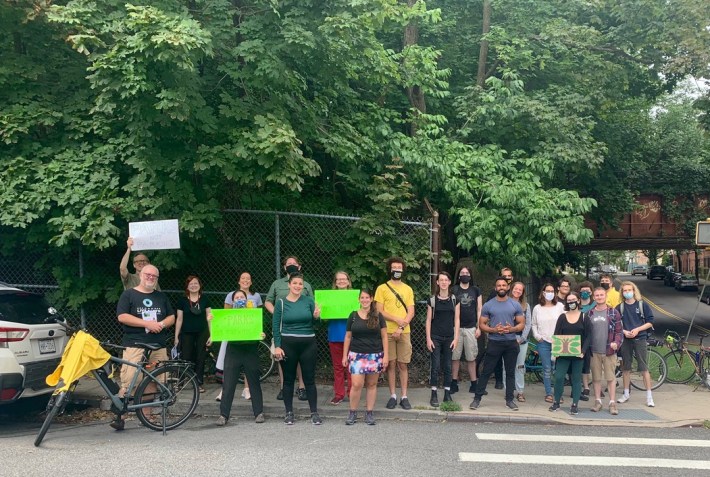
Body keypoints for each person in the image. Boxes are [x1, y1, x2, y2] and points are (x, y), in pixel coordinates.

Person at [113, 264, 174, 430]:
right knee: (129, 380)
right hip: (135, 344)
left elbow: (171, 317)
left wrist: (160, 324)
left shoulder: (161, 297)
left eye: (154, 276)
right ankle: (120, 416)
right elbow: (122, 316)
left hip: (157, 345)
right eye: (148, 274)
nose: (150, 278)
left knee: (153, 380)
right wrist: (146, 323)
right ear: (140, 275)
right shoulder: (129, 294)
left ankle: (146, 417)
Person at [210, 289, 266, 426]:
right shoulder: (228, 316)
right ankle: (223, 415)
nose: (240, 299)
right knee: (228, 383)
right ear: (233, 301)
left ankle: (259, 412)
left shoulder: (253, 314)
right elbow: (218, 332)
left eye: (242, 297)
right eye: (237, 297)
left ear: (247, 300)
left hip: (250, 350)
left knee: (254, 382)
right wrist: (212, 321)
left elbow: (259, 332)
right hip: (233, 351)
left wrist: (262, 334)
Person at [272, 273, 322, 425]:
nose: (298, 286)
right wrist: (278, 346)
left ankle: (314, 412)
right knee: (288, 380)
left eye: (301, 284)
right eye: (295, 283)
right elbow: (275, 326)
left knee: (309, 380)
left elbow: (317, 326)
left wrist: (316, 317)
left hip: (308, 344)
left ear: (303, 286)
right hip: (288, 345)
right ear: (289, 284)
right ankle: (289, 413)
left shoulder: (309, 301)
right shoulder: (280, 303)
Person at [470, 277, 525, 411]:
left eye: (503, 285)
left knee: (510, 372)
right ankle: (477, 399)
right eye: (499, 285)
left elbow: (522, 323)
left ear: (507, 288)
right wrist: (493, 330)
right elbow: (481, 324)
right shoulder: (489, 305)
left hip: (511, 343)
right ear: (495, 288)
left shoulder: (515, 305)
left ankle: (510, 400)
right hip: (495, 342)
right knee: (486, 372)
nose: (501, 287)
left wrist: (512, 329)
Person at [265, 256, 313, 401]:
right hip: (282, 328)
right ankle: (283, 388)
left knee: (300, 360)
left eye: (294, 263)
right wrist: (278, 314)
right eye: (289, 263)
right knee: (282, 357)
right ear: (284, 267)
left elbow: (313, 304)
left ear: (299, 266)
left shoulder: (306, 285)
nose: (291, 265)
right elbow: (268, 301)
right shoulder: (277, 283)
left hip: (301, 331)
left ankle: (302, 387)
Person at [342, 289, 388, 425]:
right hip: (356, 355)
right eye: (362, 298)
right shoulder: (353, 316)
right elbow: (348, 336)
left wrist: (386, 356)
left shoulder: (378, 316)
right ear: (358, 299)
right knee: (356, 384)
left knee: (372, 384)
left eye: (367, 297)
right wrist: (345, 355)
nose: (364, 300)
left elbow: (384, 336)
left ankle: (369, 413)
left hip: (375, 355)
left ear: (372, 299)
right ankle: (352, 412)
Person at [374, 257, 415, 410]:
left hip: (404, 331)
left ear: (403, 269)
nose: (397, 270)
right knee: (390, 364)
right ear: (390, 270)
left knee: (403, 364)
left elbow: (411, 312)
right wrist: (397, 319)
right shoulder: (382, 288)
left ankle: (404, 396)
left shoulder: (408, 289)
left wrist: (400, 327)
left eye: (399, 267)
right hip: (387, 331)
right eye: (394, 267)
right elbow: (379, 310)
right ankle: (392, 395)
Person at [216, 272, 263, 402]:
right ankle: (223, 390)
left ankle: (247, 389)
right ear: (239, 281)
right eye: (243, 278)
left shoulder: (256, 296)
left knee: (249, 363)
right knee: (228, 363)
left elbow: (258, 316)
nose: (245, 280)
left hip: (249, 334)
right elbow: (225, 315)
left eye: (248, 278)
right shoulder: (231, 295)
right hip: (233, 333)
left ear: (251, 282)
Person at [549, 292, 591, 415]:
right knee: (559, 377)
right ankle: (556, 402)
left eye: (573, 299)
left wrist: (583, 351)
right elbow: (557, 334)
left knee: (576, 379)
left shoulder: (584, 317)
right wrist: (556, 350)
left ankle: (574, 404)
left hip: (578, 355)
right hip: (563, 354)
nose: (571, 302)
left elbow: (588, 336)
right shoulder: (562, 317)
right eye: (569, 300)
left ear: (578, 300)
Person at [615, 281, 655, 407]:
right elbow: (616, 325)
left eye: (629, 290)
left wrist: (638, 329)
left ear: (634, 291)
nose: (627, 292)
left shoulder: (642, 305)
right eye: (625, 290)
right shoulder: (619, 307)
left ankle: (649, 396)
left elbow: (650, 321)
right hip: (626, 339)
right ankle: (626, 393)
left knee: (643, 368)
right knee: (626, 368)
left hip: (640, 338)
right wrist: (624, 331)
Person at [425, 272, 460, 407]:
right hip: (435, 337)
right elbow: (428, 320)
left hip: (449, 337)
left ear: (449, 282)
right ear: (438, 283)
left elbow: (457, 320)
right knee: (435, 366)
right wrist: (428, 338)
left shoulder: (454, 300)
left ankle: (447, 392)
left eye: (446, 280)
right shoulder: (432, 300)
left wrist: (456, 338)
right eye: (441, 280)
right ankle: (434, 393)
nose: (444, 282)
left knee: (447, 366)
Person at [587, 287, 623, 415]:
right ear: (594, 297)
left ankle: (612, 403)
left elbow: (619, 331)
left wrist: (617, 343)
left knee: (610, 377)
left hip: (609, 351)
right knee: (596, 378)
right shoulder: (590, 313)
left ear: (605, 296)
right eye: (597, 295)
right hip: (594, 351)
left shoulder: (613, 312)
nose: (599, 297)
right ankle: (598, 402)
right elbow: (586, 333)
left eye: (601, 295)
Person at [174, 275, 211, 393]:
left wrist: (212, 334)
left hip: (202, 332)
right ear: (187, 286)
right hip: (186, 333)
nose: (194, 286)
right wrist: (176, 336)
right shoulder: (182, 301)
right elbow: (179, 319)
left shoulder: (205, 299)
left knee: (200, 357)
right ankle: (180, 382)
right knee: (185, 356)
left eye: (196, 283)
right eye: (191, 284)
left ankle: (198, 383)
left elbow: (209, 318)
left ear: (200, 285)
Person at [531, 283, 564, 403]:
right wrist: (537, 336)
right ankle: (549, 393)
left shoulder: (560, 306)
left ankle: (558, 393)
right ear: (543, 292)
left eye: (552, 291)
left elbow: (564, 322)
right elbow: (533, 324)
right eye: (547, 291)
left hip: (557, 341)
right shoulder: (537, 308)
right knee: (547, 369)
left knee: (557, 369)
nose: (549, 293)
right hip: (543, 342)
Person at [450, 266, 481, 394]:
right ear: (458, 275)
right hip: (455, 328)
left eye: (467, 273)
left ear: (470, 275)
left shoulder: (476, 290)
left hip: (471, 328)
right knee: (455, 356)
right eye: (462, 273)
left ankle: (474, 383)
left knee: (471, 357)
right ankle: (453, 382)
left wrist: (479, 327)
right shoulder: (454, 290)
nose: (464, 275)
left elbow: (479, 309)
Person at [482, 267, 514, 389]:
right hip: (497, 331)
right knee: (497, 359)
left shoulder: (516, 290)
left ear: (512, 278)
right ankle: (499, 380)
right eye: (504, 276)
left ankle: (511, 386)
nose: (506, 279)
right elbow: (487, 309)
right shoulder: (494, 292)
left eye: (508, 276)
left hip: (513, 331)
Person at [327, 271, 353, 405]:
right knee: (338, 366)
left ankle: (352, 393)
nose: (342, 281)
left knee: (351, 367)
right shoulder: (329, 297)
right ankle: (339, 394)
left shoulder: (355, 297)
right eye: (339, 279)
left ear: (348, 281)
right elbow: (323, 316)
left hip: (352, 336)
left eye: (344, 279)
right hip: (335, 335)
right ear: (335, 283)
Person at [509, 281, 532, 403]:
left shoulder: (526, 306)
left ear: (523, 292)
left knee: (520, 366)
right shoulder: (505, 303)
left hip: (521, 340)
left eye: (520, 290)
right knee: (506, 366)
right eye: (515, 289)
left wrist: (522, 338)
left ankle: (520, 391)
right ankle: (509, 391)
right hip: (507, 339)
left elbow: (528, 324)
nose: (517, 291)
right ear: (511, 289)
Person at [577, 281, 595, 401]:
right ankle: (582, 386)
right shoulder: (576, 306)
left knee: (590, 364)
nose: (585, 293)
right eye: (582, 291)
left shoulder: (595, 305)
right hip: (578, 338)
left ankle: (590, 386)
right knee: (580, 364)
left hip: (592, 338)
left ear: (591, 292)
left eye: (587, 291)